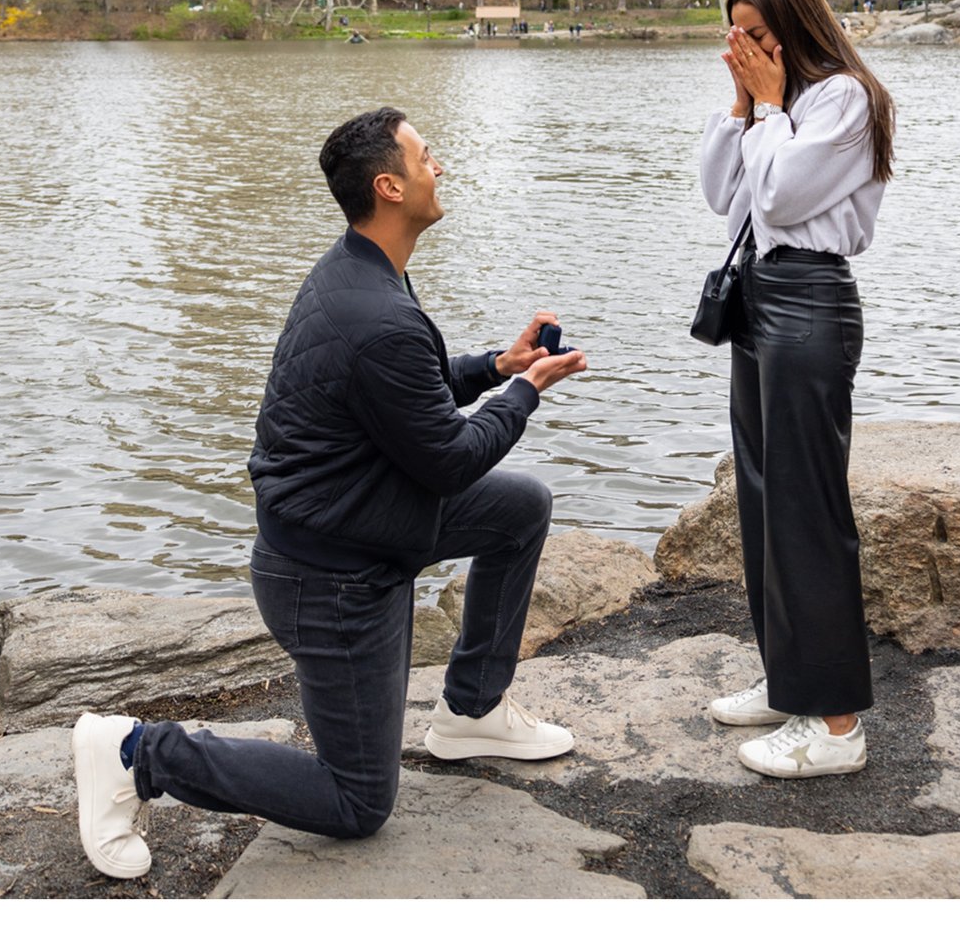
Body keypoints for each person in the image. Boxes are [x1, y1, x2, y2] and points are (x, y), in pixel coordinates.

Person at [71, 108, 589, 882]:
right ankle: (136, 751)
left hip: (364, 521)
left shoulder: (357, 269)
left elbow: (401, 398)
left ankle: (472, 711)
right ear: (389, 185)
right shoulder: (375, 312)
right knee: (357, 803)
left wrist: (496, 366)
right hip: (332, 577)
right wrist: (530, 392)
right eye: (425, 156)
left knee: (519, 507)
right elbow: (448, 458)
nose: (437, 166)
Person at [696, 0, 896, 778]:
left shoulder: (846, 97)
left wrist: (771, 107)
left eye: (757, 33)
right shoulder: (776, 105)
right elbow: (723, 195)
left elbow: (779, 200)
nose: (743, 46)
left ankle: (838, 725)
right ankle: (790, 678)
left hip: (811, 301)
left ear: (796, 27)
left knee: (809, 509)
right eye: (735, 33)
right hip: (760, 297)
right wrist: (742, 107)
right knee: (763, 497)